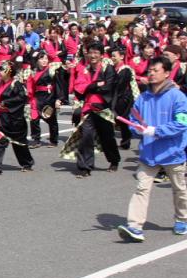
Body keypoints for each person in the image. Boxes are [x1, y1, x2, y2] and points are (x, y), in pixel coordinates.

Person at [117, 56, 187, 242]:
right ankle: (135, 226)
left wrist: (157, 131)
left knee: (179, 189)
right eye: (150, 71)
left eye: (156, 70)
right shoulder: (143, 97)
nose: (152, 74)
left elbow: (182, 124)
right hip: (148, 153)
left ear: (166, 73)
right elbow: (133, 121)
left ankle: (182, 218)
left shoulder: (178, 97)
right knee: (141, 188)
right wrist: (137, 129)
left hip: (173, 151)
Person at [60, 42, 121, 178]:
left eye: (96, 53)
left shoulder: (108, 68)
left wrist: (91, 86)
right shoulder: (84, 68)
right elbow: (79, 88)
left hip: (103, 108)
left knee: (107, 137)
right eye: (90, 52)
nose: (93, 55)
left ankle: (114, 160)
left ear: (101, 55)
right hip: (88, 108)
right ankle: (85, 167)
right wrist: (95, 85)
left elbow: (108, 87)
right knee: (86, 136)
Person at [0, 61, 35, 175]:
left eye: (2, 70)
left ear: (9, 72)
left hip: (15, 119)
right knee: (0, 142)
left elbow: (22, 98)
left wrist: (6, 102)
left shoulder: (16, 84)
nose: (0, 72)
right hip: (3, 118)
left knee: (19, 144)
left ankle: (27, 163)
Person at [109, 46, 139, 150]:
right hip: (115, 96)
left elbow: (121, 85)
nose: (112, 58)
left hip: (124, 97)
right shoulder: (112, 68)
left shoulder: (126, 69)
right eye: (111, 56)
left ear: (122, 56)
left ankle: (125, 142)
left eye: (114, 56)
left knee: (123, 121)